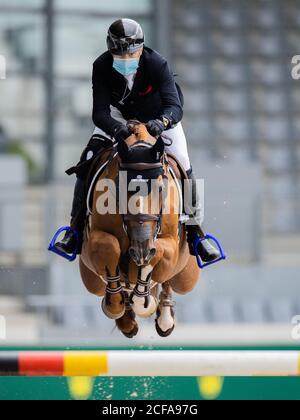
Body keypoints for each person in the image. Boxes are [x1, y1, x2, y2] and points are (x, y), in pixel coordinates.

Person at [55, 18, 220, 263]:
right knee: (88, 159)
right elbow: (99, 113)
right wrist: (118, 129)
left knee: (183, 163)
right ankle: (75, 230)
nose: (124, 60)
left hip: (159, 118)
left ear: (141, 49)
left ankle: (197, 233)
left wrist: (160, 123)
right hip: (118, 118)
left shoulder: (157, 63)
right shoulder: (101, 66)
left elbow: (174, 106)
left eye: (130, 54)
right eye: (118, 55)